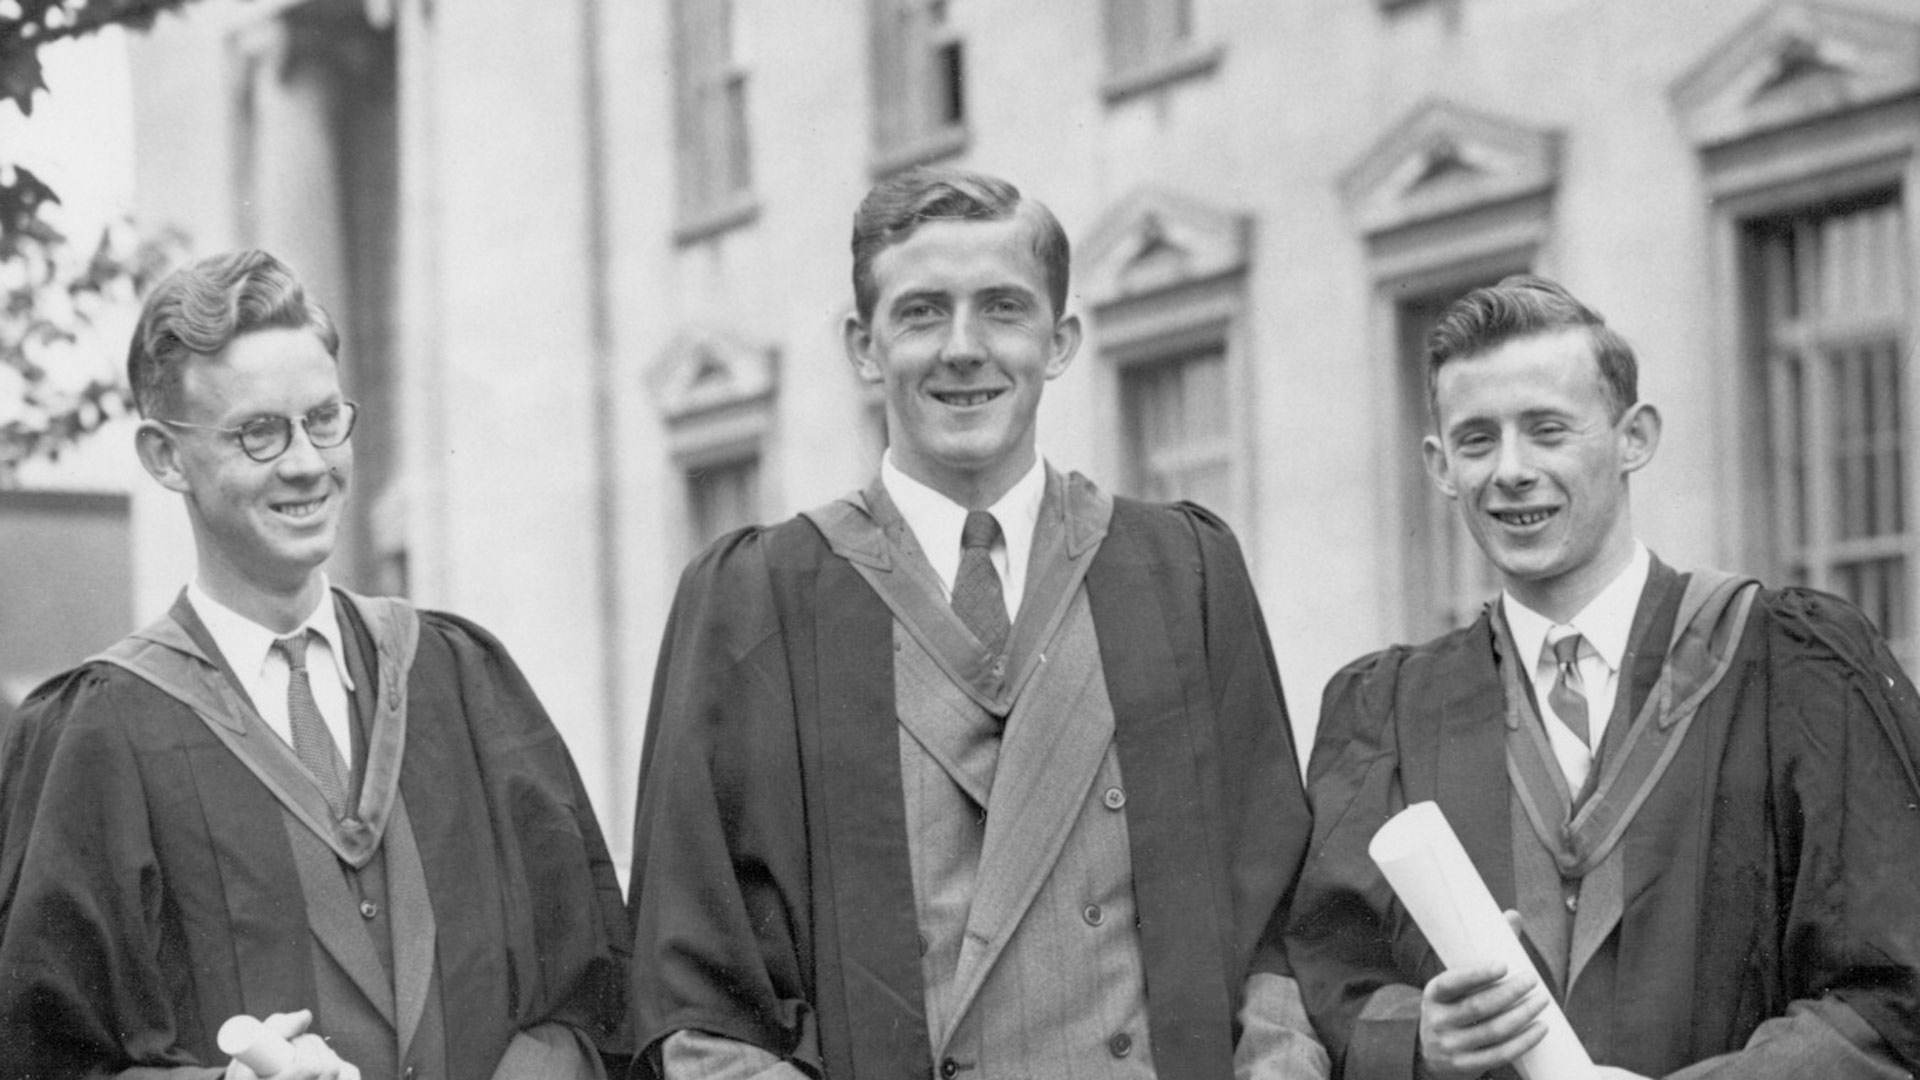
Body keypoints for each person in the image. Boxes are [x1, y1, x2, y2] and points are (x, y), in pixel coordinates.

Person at [626, 167, 1325, 1079]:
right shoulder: (757, 602)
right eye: (921, 313)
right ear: (863, 346)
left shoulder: (1179, 576)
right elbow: (698, 999)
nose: (964, 349)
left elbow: (1274, 929)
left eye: (1003, 308)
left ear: (1061, 339)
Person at [0, 250, 629, 1080]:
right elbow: (48, 1058)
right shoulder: (101, 734)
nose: (305, 463)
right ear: (164, 456)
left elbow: (594, 992)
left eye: (323, 419)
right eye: (259, 432)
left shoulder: (455, 679)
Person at [1284, 275, 1920, 1080]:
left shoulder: (1797, 671)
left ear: (1635, 438)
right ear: (1440, 465)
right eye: (1477, 440)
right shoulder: (1387, 714)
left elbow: (1889, 999)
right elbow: (1328, 985)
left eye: (1548, 430)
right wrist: (1421, 1043)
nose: (1510, 470)